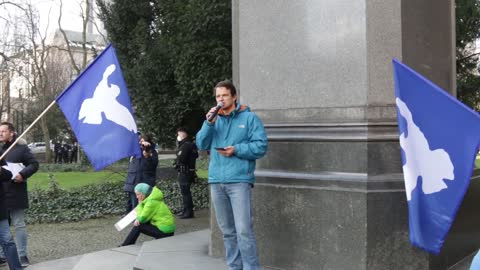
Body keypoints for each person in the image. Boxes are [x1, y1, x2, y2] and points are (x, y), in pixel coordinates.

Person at [196, 80, 268, 270]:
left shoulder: (249, 119)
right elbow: (201, 144)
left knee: (244, 231)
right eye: (218, 96)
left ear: (234, 96)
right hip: (217, 181)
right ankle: (234, 267)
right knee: (227, 232)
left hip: (239, 182)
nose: (221, 99)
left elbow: (261, 146)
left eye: (224, 95)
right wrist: (208, 123)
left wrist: (236, 149)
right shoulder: (214, 120)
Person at [0, 122, 39, 267]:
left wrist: (22, 174)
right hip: (2, 193)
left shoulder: (22, 149)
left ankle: (22, 255)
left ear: (11, 132)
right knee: (3, 226)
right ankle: (3, 256)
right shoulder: (1, 150)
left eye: (3, 131)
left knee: (18, 224)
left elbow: (34, 164)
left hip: (16, 191)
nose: (1, 134)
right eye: (0, 132)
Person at [123, 134, 158, 212]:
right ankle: (134, 221)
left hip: (144, 184)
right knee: (131, 205)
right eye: (140, 141)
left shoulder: (152, 152)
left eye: (143, 142)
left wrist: (147, 156)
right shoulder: (135, 152)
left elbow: (153, 166)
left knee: (140, 207)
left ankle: (140, 222)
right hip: (132, 183)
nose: (141, 143)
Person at [174, 127, 198, 219]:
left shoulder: (186, 145)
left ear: (184, 134)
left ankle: (188, 212)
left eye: (179, 134)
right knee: (185, 192)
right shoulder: (188, 144)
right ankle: (186, 210)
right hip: (187, 171)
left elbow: (182, 159)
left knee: (185, 192)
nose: (178, 136)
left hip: (185, 171)